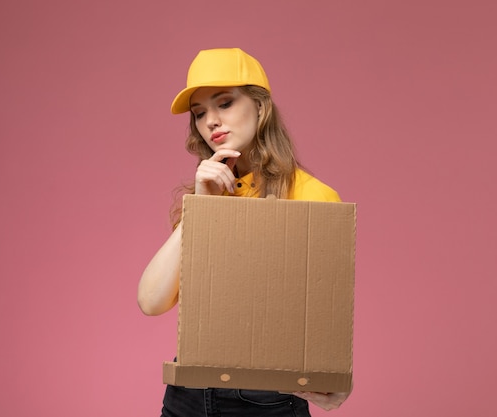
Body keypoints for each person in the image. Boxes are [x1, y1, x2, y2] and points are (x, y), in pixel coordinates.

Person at [138, 47, 352, 416]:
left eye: (224, 103)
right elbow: (151, 301)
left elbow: (320, 315)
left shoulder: (313, 197)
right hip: (188, 395)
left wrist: (329, 380)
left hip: (265, 399)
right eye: (200, 113)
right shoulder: (208, 194)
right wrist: (202, 209)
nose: (211, 122)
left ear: (259, 106)